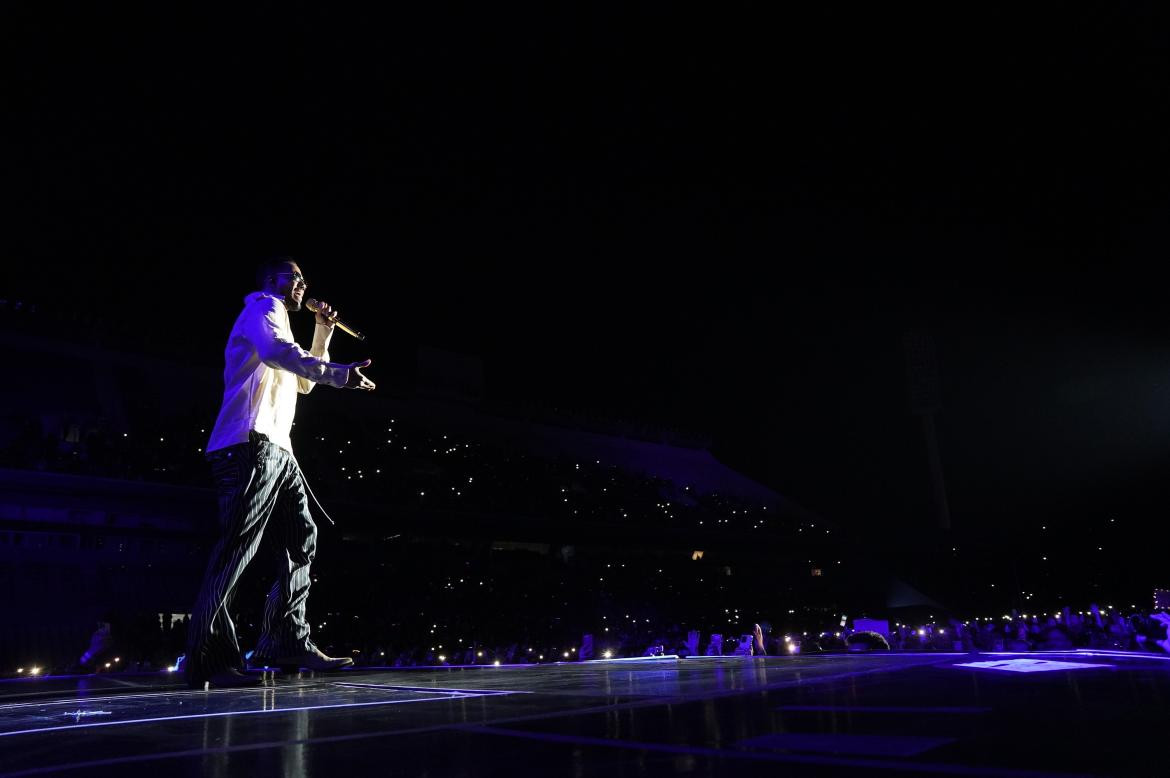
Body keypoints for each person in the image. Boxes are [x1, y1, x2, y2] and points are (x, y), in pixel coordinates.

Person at [185, 257, 376, 688]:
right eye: (295, 277)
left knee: (300, 540)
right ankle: (206, 658)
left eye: (305, 279)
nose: (303, 285)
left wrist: (324, 332)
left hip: (278, 449)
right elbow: (277, 355)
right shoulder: (263, 307)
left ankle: (285, 641)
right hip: (248, 443)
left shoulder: (281, 322)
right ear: (273, 280)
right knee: (237, 547)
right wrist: (339, 377)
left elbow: (303, 380)